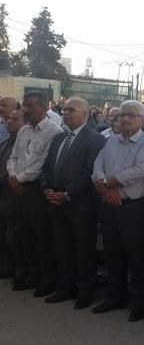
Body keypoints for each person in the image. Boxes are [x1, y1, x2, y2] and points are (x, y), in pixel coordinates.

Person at [91, 100, 144, 322]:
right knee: (112, 254)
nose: (125, 119)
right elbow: (97, 166)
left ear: (142, 119)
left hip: (133, 207)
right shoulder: (111, 141)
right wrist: (104, 188)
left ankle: (140, 302)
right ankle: (115, 297)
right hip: (109, 203)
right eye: (122, 115)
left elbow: (140, 170)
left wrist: (107, 184)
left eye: (130, 115)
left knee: (136, 256)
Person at [40, 97, 105, 309]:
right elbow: (47, 167)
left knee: (83, 251)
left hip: (80, 206)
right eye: (65, 109)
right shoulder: (59, 137)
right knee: (62, 249)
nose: (66, 113)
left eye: (71, 110)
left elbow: (89, 173)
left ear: (84, 114)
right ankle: (64, 288)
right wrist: (47, 188)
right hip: (55, 202)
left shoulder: (95, 139)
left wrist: (67, 193)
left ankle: (84, 291)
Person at [7, 91, 63, 295]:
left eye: (31, 106)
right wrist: (13, 177)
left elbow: (43, 164)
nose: (26, 110)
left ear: (44, 107)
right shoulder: (24, 131)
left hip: (37, 189)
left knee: (42, 236)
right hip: (18, 187)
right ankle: (32, 275)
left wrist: (19, 179)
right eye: (25, 105)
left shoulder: (54, 132)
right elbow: (13, 157)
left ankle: (47, 279)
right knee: (25, 234)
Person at [0, 110, 24, 283]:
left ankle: (20, 270)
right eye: (8, 118)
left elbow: (14, 171)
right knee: (4, 235)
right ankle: (6, 267)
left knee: (15, 236)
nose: (9, 121)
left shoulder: (24, 145)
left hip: (14, 195)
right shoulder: (4, 143)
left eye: (15, 119)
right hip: (3, 195)